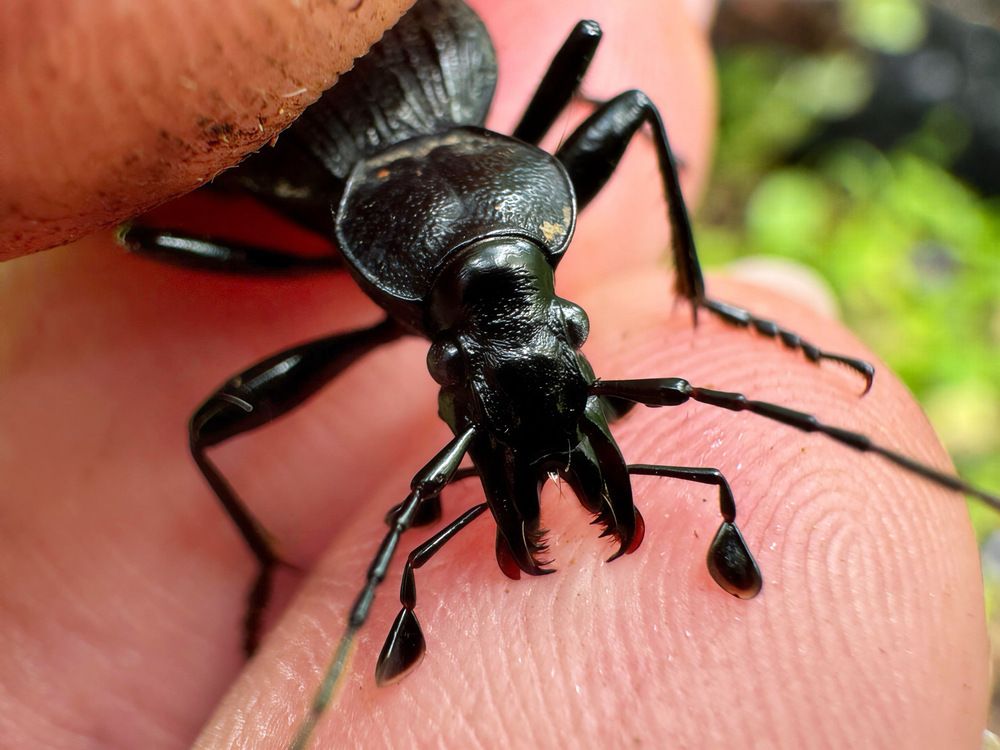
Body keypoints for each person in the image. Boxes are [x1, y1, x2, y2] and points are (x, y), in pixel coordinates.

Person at [0, 1, 987, 747]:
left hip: (390, 107)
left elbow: (627, 106)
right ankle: (262, 559)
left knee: (623, 83)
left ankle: (704, 300)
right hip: (307, 130)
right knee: (193, 374)